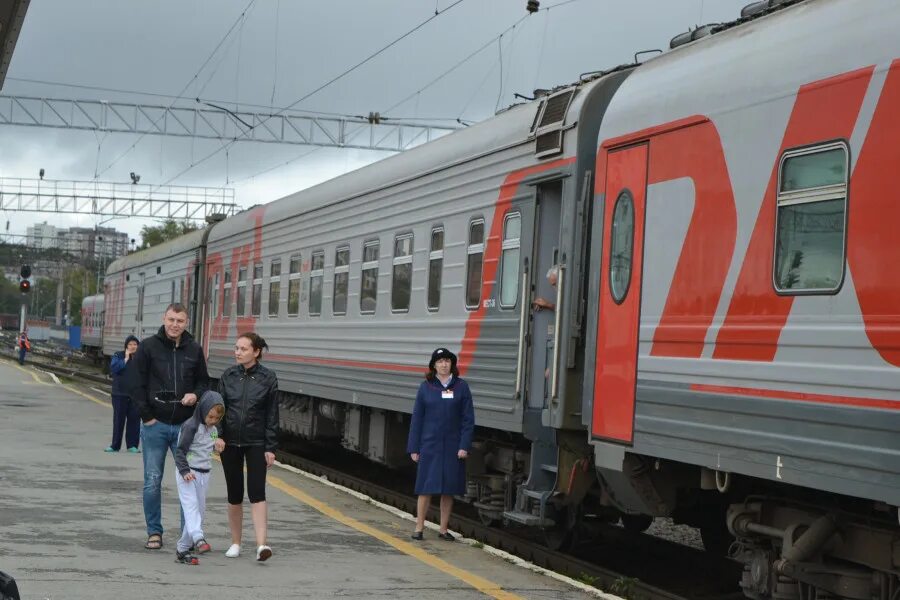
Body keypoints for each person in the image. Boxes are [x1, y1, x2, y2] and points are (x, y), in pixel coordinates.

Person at [129, 303, 209, 551]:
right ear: (164, 319)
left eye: (180, 321)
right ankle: (154, 532)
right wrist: (146, 416)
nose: (175, 325)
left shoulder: (194, 350)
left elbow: (203, 382)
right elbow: (136, 383)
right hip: (156, 426)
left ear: (187, 323)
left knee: (190, 482)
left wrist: (195, 396)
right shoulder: (148, 347)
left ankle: (189, 535)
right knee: (152, 481)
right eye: (172, 319)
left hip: (185, 428)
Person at [214, 332, 279, 561]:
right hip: (230, 442)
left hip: (256, 443)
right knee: (234, 494)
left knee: (257, 493)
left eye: (243, 348)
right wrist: (218, 435)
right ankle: (236, 543)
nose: (238, 352)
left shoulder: (268, 378)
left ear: (256, 352)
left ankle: (262, 545)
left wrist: (270, 447)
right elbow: (218, 410)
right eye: (236, 348)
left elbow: (272, 415)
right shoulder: (228, 376)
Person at [406, 347, 475, 541]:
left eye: (447, 361)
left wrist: (464, 446)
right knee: (425, 487)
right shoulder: (426, 387)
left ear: (452, 364)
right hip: (430, 445)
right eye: (440, 361)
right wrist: (414, 447)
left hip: (453, 447)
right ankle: (419, 527)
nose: (444, 364)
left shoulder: (461, 387)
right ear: (434, 365)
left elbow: (467, 420)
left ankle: (443, 529)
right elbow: (417, 419)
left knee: (448, 489)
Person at [172, 391, 226, 565]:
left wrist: (218, 445)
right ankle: (198, 537)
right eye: (210, 417)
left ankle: (182, 548)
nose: (212, 421)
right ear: (202, 410)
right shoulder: (190, 426)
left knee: (199, 511)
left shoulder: (213, 430)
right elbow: (180, 450)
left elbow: (209, 447)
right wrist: (184, 470)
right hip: (188, 473)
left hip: (204, 473)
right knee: (191, 506)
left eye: (216, 419)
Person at [105, 335, 141, 453]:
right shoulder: (118, 355)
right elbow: (114, 368)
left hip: (135, 395)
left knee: (134, 421)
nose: (132, 347)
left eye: (135, 344)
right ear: (126, 346)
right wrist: (125, 359)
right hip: (119, 394)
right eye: (130, 344)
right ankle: (115, 445)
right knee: (118, 420)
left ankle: (132, 445)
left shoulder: (140, 358)